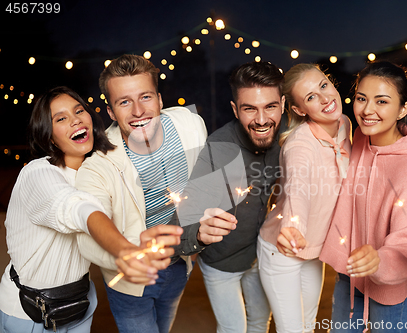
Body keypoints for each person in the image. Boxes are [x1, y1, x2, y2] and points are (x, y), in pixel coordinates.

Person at [0, 86, 182, 333]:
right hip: (30, 313)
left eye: (79, 111)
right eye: (61, 118)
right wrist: (125, 250)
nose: (75, 120)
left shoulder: (100, 171)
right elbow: (78, 208)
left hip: (80, 305)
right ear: (49, 135)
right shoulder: (38, 173)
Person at [74, 54, 227, 333]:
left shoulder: (190, 125)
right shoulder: (98, 165)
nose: (137, 111)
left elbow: (202, 182)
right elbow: (87, 234)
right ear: (110, 112)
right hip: (129, 283)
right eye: (124, 102)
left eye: (145, 97)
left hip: (180, 265)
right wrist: (129, 255)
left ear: (159, 100)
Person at [173, 61, 286, 333]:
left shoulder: (290, 136)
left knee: (260, 322)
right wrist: (200, 232)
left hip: (261, 255)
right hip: (221, 264)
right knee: (234, 329)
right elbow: (180, 222)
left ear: (283, 104)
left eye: (270, 106)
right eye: (250, 109)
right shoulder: (218, 149)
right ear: (235, 109)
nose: (261, 120)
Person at [320, 61, 407, 333]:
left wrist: (380, 260)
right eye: (361, 99)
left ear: (403, 108)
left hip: (392, 283)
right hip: (351, 271)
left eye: (381, 101)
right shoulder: (359, 137)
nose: (367, 110)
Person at [256, 63, 351, 333]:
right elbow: (298, 189)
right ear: (299, 110)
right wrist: (293, 229)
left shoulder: (344, 123)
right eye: (310, 97)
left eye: (323, 86)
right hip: (283, 247)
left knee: (307, 326)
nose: (324, 98)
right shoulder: (299, 144)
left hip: (314, 249)